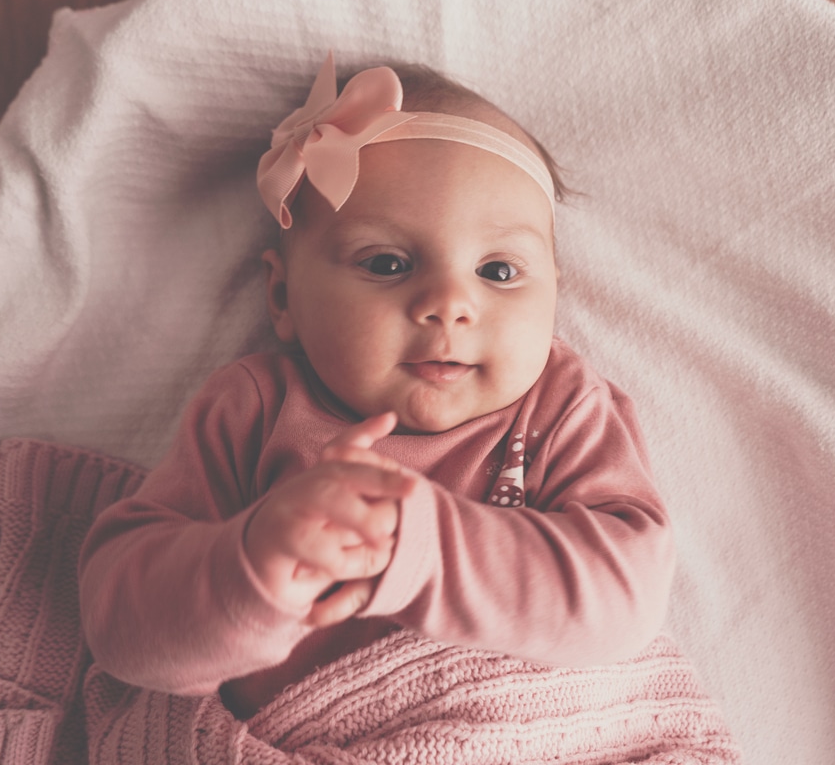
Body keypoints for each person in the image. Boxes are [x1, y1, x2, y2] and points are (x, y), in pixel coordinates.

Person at [78, 53, 676, 720]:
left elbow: (630, 596)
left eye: (500, 272)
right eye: (388, 263)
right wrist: (247, 566)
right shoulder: (257, 408)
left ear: (553, 298)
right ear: (282, 297)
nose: (450, 303)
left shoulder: (561, 407)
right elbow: (118, 627)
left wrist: (417, 546)